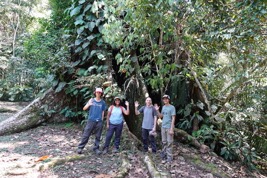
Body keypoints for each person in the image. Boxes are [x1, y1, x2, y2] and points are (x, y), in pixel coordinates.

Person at [77, 88, 106, 155]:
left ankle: (96, 148)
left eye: (100, 92)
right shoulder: (91, 100)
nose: (98, 93)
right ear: (95, 93)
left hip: (99, 121)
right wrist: (89, 104)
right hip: (91, 120)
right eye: (97, 92)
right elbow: (84, 108)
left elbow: (103, 111)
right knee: (86, 134)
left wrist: (101, 120)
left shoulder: (103, 102)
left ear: (101, 94)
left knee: (98, 136)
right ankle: (80, 148)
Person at [155, 94, 176, 163]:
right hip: (163, 127)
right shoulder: (163, 107)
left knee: (169, 142)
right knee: (164, 141)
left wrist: (172, 129)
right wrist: (157, 110)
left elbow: (173, 118)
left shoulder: (172, 107)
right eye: (164, 99)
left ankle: (169, 158)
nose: (165, 100)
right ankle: (164, 155)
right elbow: (161, 116)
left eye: (166, 99)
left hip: (169, 126)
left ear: (168, 99)